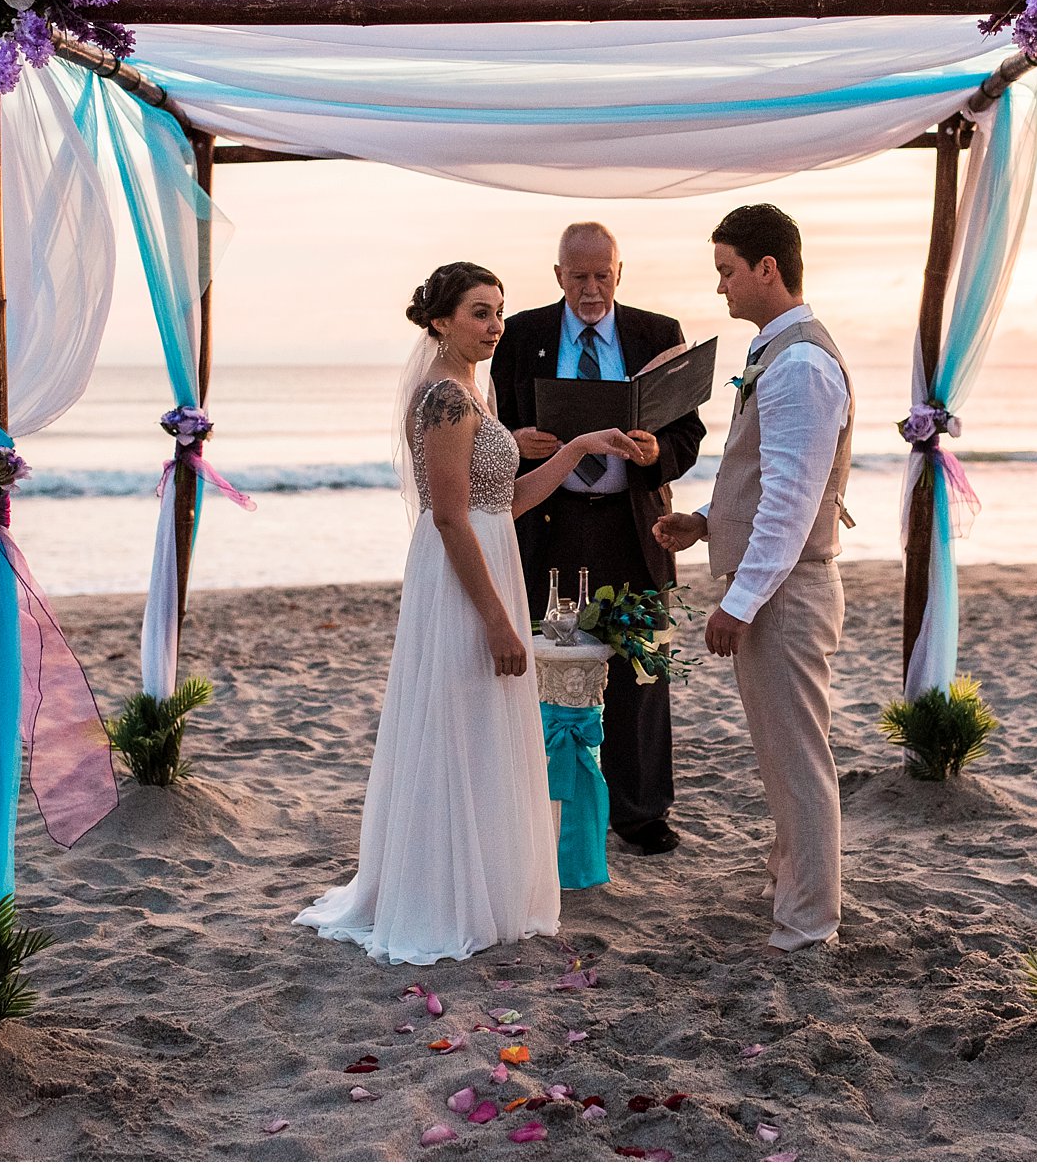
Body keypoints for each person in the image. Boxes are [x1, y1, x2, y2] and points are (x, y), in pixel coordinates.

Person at [296, 262, 645, 966]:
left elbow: (504, 501)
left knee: (479, 724)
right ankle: (441, 893)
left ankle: (480, 882)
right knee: (455, 720)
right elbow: (453, 519)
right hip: (463, 576)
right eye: (480, 312)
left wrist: (578, 446)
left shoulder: (469, 392)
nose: (494, 325)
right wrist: (495, 620)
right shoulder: (445, 402)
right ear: (440, 321)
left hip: (491, 553)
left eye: (499, 312)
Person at [653, 204, 855, 952]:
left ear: (767, 268)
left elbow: (792, 506)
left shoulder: (800, 364)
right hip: (779, 584)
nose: (721, 290)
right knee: (781, 751)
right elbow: (768, 480)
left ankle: (808, 920)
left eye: (727, 272)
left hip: (787, 592)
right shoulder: (784, 354)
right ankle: (792, 880)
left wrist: (737, 603)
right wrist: (706, 521)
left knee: (799, 757)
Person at [491, 222, 706, 857]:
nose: (591, 289)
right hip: (546, 528)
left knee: (643, 672)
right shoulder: (522, 334)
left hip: (634, 529)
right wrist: (515, 444)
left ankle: (640, 814)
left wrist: (654, 452)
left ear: (620, 272)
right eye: (578, 276)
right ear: (558, 275)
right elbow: (488, 427)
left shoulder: (658, 334)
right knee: (544, 668)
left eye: (602, 275)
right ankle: (543, 807)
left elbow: (688, 436)